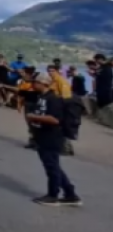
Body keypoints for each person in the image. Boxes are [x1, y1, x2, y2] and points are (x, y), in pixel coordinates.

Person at [26, 73, 82, 207]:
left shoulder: (53, 99)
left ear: (43, 83)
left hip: (52, 137)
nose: (33, 84)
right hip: (42, 136)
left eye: (36, 82)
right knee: (54, 166)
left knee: (51, 167)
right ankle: (70, 194)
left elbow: (55, 119)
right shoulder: (42, 97)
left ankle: (53, 195)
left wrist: (34, 117)